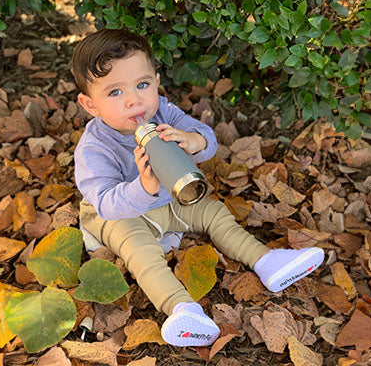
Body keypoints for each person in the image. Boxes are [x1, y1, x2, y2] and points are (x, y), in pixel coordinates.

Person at [71, 29, 324, 347]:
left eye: (142, 85)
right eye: (115, 93)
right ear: (90, 104)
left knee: (214, 213)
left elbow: (205, 138)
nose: (134, 99)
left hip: (171, 199)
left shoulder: (162, 111)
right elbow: (106, 203)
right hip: (119, 215)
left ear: (157, 81)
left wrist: (192, 140)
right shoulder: (94, 148)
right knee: (140, 251)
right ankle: (182, 309)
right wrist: (144, 185)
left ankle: (267, 262)